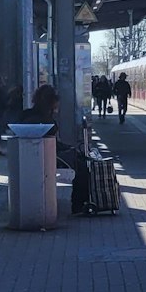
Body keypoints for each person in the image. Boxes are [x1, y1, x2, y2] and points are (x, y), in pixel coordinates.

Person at [18, 84, 91, 215]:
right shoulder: (45, 119)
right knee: (82, 166)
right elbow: (52, 142)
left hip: (37, 155)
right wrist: (69, 148)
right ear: (51, 102)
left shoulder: (29, 114)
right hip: (49, 156)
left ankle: (79, 204)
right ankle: (78, 204)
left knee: (81, 161)